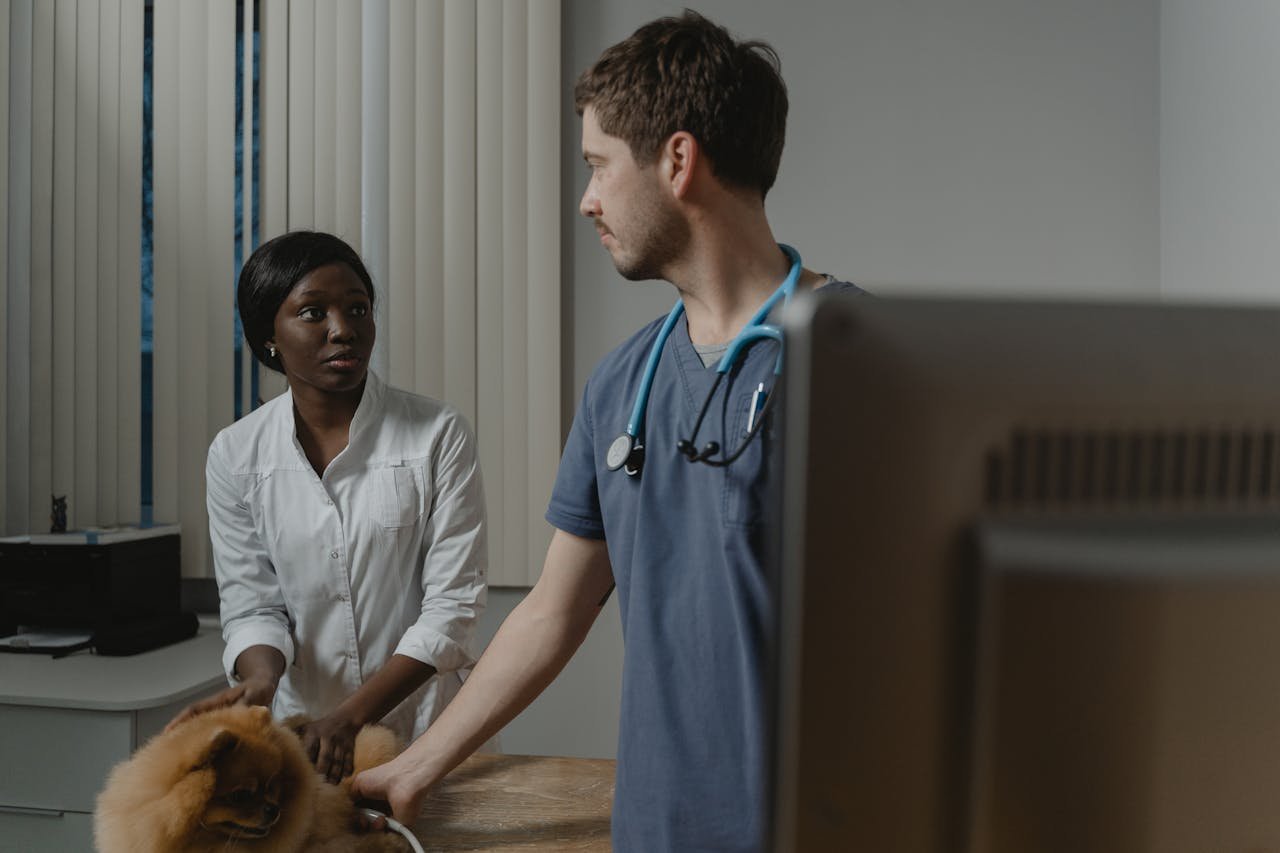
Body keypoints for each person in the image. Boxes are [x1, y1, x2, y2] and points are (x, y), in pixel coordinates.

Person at [353, 11, 861, 850]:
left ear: (678, 160)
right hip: (654, 830)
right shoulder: (622, 385)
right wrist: (416, 765)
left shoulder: (858, 362)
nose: (587, 198)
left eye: (597, 165)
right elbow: (553, 613)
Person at [177, 230, 489, 785]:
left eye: (357, 309)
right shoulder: (236, 454)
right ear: (268, 336)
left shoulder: (437, 433)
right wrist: (259, 684)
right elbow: (253, 607)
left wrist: (350, 718)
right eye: (313, 312)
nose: (343, 329)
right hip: (302, 742)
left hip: (426, 732)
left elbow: (452, 608)